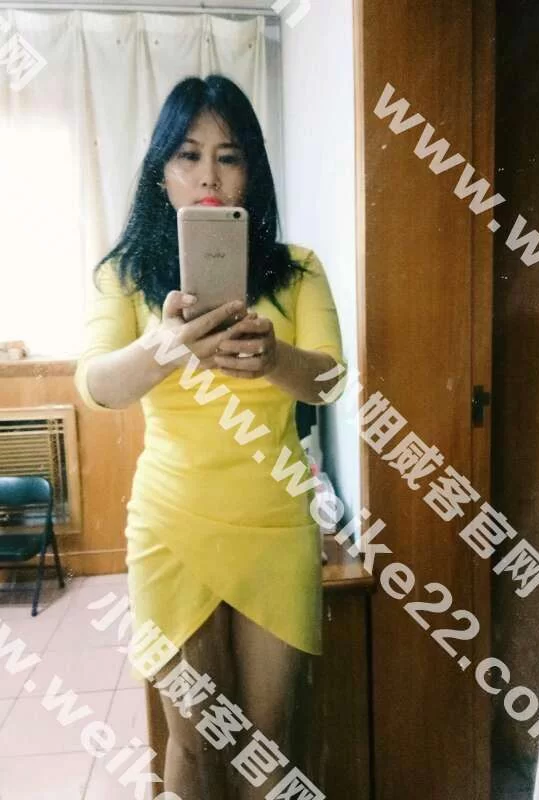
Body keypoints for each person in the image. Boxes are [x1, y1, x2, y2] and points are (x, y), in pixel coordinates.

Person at [74, 74, 346, 799]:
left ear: (251, 172)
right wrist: (163, 347)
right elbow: (97, 386)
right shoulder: (125, 277)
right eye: (188, 155)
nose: (208, 177)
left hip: (275, 522)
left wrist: (275, 359)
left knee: (269, 741)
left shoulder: (298, 270)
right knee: (193, 742)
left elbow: (329, 382)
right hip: (171, 524)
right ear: (161, 172)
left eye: (229, 157)